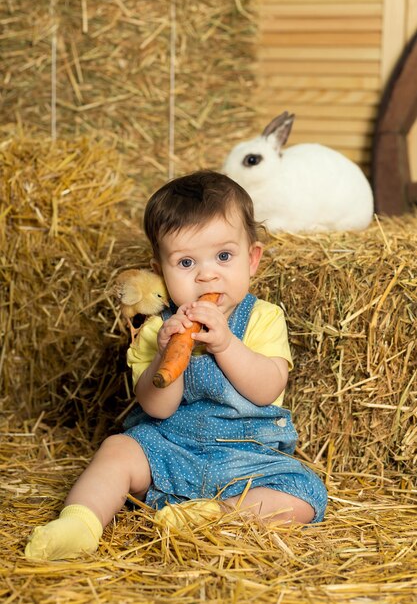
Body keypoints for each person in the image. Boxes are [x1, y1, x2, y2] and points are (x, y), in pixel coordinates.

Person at [25, 170, 327, 561]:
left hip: (246, 457)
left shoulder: (263, 318)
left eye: (223, 256)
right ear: (162, 271)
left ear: (252, 260)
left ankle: (211, 516)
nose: (206, 274)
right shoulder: (157, 329)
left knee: (304, 494)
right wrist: (167, 354)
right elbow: (157, 407)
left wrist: (226, 343)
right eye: (186, 262)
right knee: (117, 450)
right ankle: (80, 523)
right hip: (169, 447)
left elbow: (266, 388)